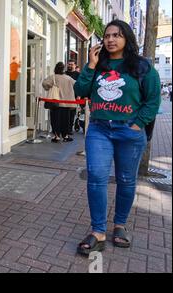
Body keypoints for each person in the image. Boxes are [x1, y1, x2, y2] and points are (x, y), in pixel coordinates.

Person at [74, 20, 161, 256]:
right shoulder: (98, 64)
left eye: (117, 35)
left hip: (128, 132)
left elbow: (153, 99)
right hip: (100, 130)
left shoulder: (141, 66)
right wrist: (91, 66)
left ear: (127, 38)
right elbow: (80, 92)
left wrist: (137, 124)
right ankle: (98, 231)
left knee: (125, 179)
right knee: (96, 177)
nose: (111, 40)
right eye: (107, 35)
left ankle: (120, 225)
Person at [42, 62, 77, 143]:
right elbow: (76, 84)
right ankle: (65, 136)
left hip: (55, 103)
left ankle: (56, 136)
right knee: (65, 120)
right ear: (63, 69)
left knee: (55, 120)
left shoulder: (52, 77)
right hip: (66, 103)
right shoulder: (68, 78)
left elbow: (45, 84)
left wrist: (48, 86)